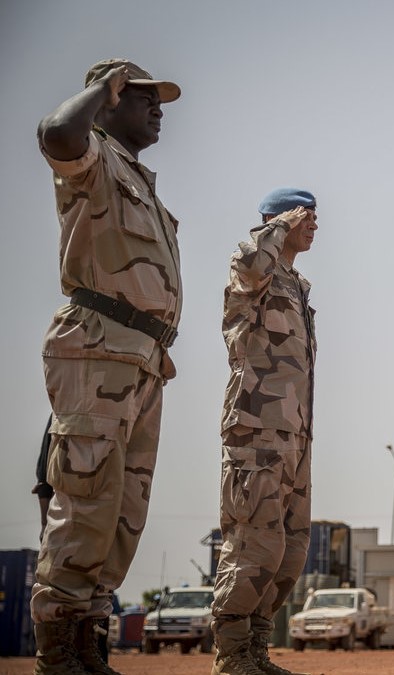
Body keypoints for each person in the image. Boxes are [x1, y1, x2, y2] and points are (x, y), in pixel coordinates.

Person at [32, 58, 182, 675]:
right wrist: (101, 87)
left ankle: (88, 645)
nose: (158, 108)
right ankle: (58, 653)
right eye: (143, 96)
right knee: (87, 497)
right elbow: (54, 135)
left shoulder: (139, 178)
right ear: (113, 97)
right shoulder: (90, 154)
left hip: (144, 357)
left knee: (123, 511)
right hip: (97, 345)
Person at [210, 189, 319, 675]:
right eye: (307, 216)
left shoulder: (296, 284)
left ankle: (255, 649)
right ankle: (231, 657)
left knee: (290, 551)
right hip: (255, 431)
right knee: (254, 543)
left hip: (294, 437)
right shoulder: (254, 268)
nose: (315, 225)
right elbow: (254, 263)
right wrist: (275, 228)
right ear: (281, 219)